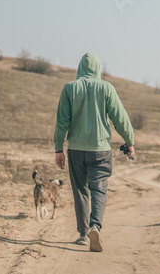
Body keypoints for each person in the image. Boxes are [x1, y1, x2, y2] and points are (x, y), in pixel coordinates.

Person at [54, 52, 135, 252]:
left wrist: (58, 148)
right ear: (98, 69)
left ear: (80, 68)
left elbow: (61, 122)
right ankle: (95, 226)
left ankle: (83, 235)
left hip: (75, 150)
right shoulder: (106, 88)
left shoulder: (69, 88)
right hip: (100, 150)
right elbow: (120, 118)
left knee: (80, 191)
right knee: (99, 189)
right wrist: (129, 141)